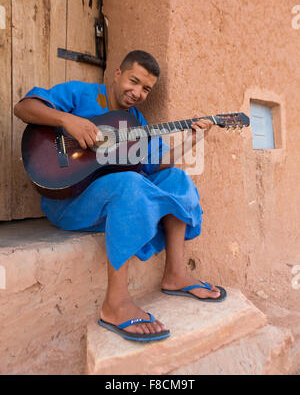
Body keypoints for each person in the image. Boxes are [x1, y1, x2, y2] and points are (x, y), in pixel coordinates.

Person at [14, 50, 226, 342]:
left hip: (111, 205)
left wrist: (192, 140)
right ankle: (115, 303)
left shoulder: (137, 124)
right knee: (129, 182)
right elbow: (24, 107)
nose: (137, 92)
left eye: (146, 89)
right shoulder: (82, 94)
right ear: (117, 74)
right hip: (69, 202)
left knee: (176, 178)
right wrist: (67, 120)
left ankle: (175, 273)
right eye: (133, 81)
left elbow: (156, 164)